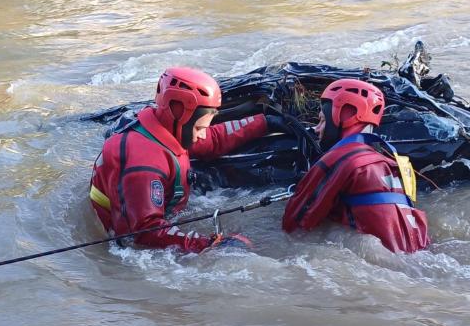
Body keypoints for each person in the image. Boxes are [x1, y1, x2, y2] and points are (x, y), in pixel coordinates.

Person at [90, 67, 289, 252]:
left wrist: (264, 122)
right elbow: (143, 234)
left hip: (156, 207)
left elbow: (214, 138)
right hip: (131, 230)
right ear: (178, 113)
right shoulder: (142, 165)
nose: (202, 135)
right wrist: (210, 245)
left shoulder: (165, 127)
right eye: (199, 128)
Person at [282, 79, 430, 253]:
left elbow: (293, 226)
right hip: (419, 257)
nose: (316, 129)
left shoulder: (340, 159)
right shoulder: (394, 164)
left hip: (380, 265)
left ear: (343, 115)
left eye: (322, 120)